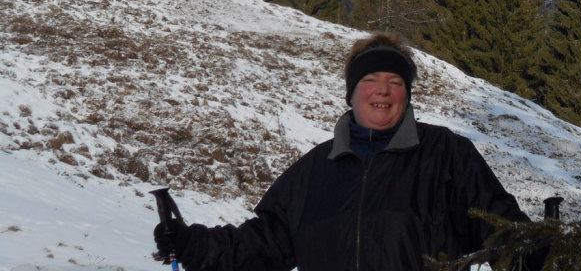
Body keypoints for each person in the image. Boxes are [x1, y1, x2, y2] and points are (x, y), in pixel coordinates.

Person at [153, 31, 544, 271]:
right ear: (352, 93)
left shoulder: (447, 156)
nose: (383, 90)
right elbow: (261, 246)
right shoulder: (314, 171)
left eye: (395, 81)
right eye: (370, 80)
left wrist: (547, 252)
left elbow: (505, 232)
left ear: (406, 95)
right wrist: (193, 246)